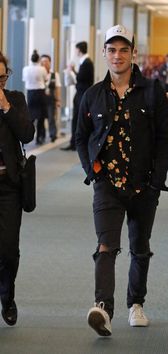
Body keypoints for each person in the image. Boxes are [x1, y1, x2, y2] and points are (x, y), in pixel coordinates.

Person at [76, 24, 168, 336]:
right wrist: (94, 172)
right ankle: (103, 308)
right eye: (112, 50)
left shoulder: (153, 92)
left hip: (144, 185)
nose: (117, 55)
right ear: (104, 53)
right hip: (107, 185)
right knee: (106, 245)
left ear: (133, 54)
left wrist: (157, 179)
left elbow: (165, 138)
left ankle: (136, 304)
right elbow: (81, 139)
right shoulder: (92, 96)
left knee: (140, 247)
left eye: (124, 50)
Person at [0, 52, 35, 326]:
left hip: (8, 185)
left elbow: (27, 134)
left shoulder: (16, 100)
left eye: (2, 78)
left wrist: (6, 107)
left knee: (9, 249)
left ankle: (7, 297)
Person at [61, 41, 94, 151]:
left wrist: (73, 71)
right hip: (80, 94)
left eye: (76, 49)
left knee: (78, 119)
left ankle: (76, 143)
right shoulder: (84, 62)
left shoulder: (87, 62)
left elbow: (81, 78)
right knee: (76, 119)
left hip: (82, 94)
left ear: (79, 50)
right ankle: (74, 143)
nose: (75, 51)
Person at [22, 49, 47, 144]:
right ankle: (39, 137)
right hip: (40, 92)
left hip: (30, 93)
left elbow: (24, 80)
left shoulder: (26, 69)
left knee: (31, 116)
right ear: (38, 59)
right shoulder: (42, 69)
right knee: (41, 116)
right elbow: (45, 78)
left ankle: (26, 135)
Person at [41, 54, 62, 142]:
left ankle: (53, 134)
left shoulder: (55, 74)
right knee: (41, 118)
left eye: (46, 61)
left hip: (51, 99)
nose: (44, 63)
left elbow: (58, 87)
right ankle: (41, 136)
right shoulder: (39, 73)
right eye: (42, 62)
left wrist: (58, 100)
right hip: (41, 99)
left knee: (51, 117)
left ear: (50, 62)